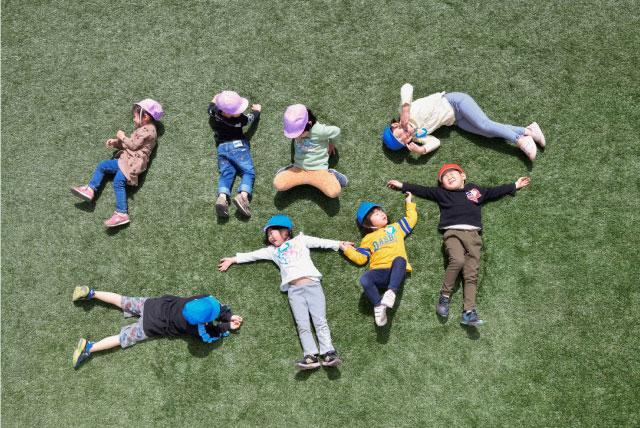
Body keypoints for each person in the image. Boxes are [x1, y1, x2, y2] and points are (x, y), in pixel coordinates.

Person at [387, 163, 530, 326]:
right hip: (452, 233)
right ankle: (444, 296)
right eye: (444, 177)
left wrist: (514, 185)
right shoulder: (442, 194)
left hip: (474, 236)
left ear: (463, 176)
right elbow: (423, 190)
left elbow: (493, 192)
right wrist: (402, 185)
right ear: (442, 185)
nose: (448, 176)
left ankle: (469, 312)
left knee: (471, 274)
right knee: (458, 260)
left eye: (452, 173)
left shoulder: (475, 191)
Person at [218, 215, 350, 369]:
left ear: (285, 231)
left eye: (272, 232)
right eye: (268, 235)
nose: (270, 237)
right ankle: (310, 356)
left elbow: (320, 242)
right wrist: (233, 259)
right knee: (302, 324)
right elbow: (253, 255)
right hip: (294, 292)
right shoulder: (273, 251)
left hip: (313, 286)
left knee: (320, 320)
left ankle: (328, 352)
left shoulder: (300, 240)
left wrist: (339, 244)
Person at [71, 286, 243, 369]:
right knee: (121, 338)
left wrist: (227, 316)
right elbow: (210, 336)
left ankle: (92, 293)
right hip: (150, 326)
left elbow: (214, 304)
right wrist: (226, 325)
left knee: (122, 300)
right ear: (202, 322)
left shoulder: (198, 299)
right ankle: (89, 347)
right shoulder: (196, 329)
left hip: (151, 305)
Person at [381, 83, 545, 161]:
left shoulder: (410, 111)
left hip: (455, 102)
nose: (405, 136)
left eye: (399, 134)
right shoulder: (416, 137)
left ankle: (520, 140)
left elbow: (407, 87)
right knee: (487, 132)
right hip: (456, 120)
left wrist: (405, 109)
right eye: (404, 141)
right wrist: (421, 149)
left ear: (395, 125)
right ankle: (529, 130)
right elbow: (435, 141)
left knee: (484, 124)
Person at [71, 99, 163, 227]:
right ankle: (90, 189)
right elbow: (130, 145)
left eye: (135, 116)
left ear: (146, 116)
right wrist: (116, 143)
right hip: (126, 160)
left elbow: (133, 145)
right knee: (103, 166)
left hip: (132, 164)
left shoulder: (149, 130)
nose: (133, 119)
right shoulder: (145, 129)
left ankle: (121, 213)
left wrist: (121, 136)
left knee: (118, 182)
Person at [342, 192, 417, 327]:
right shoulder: (367, 239)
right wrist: (346, 249)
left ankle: (391, 292)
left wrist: (409, 202)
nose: (382, 213)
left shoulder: (395, 228)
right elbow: (361, 259)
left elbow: (411, 219)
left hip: (397, 271)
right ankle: (378, 305)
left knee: (400, 259)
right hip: (379, 273)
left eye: (381, 211)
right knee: (364, 279)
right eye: (376, 214)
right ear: (369, 225)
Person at [273, 104, 347, 198]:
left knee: (334, 192)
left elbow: (336, 131)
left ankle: (332, 173)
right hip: (298, 168)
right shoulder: (297, 131)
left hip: (319, 169)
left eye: (300, 134)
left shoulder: (320, 131)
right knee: (279, 184)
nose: (297, 137)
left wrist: (331, 144)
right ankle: (290, 168)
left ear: (310, 124)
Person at [208, 90, 261, 218]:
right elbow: (250, 119)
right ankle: (243, 196)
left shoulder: (215, 112)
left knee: (227, 173)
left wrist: (215, 99)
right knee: (248, 172)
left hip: (222, 148)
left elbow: (210, 107)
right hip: (238, 147)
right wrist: (257, 111)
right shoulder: (240, 119)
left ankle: (222, 197)